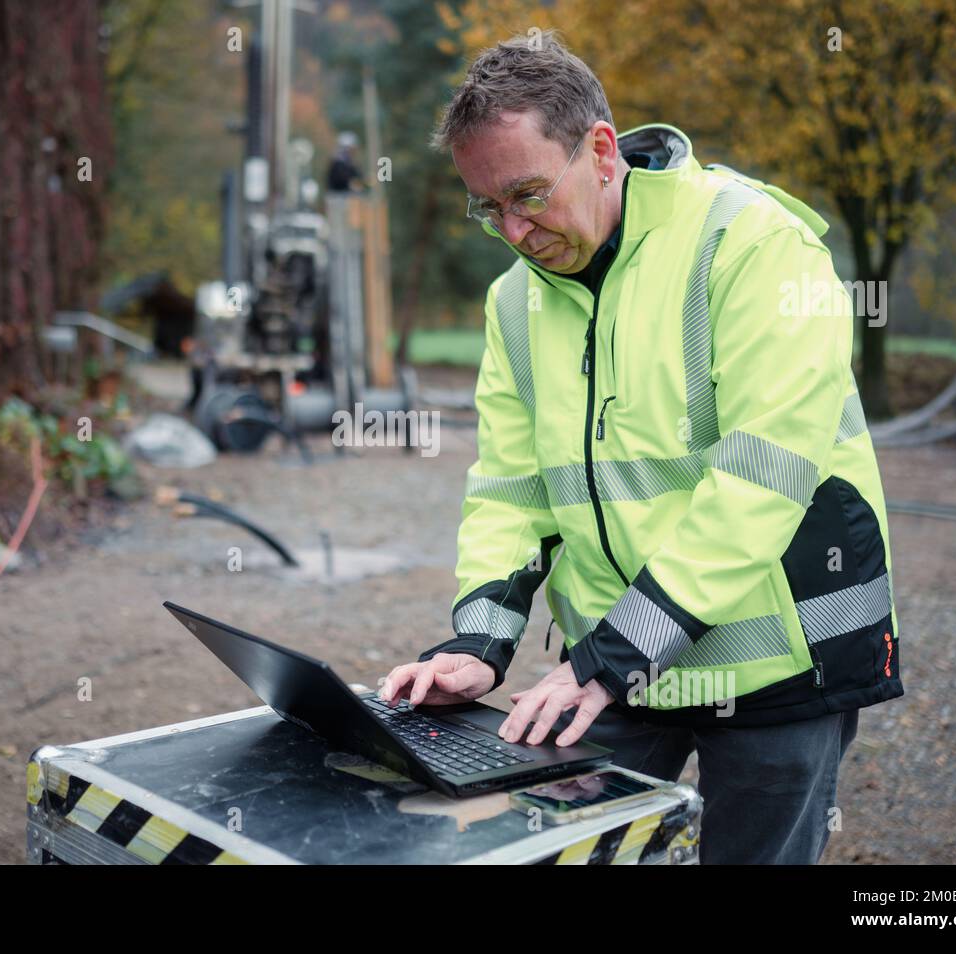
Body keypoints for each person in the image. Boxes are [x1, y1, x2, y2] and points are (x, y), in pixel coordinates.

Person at [378, 31, 903, 864]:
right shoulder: (514, 303)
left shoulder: (755, 246)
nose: (513, 230)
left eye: (527, 195)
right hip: (614, 668)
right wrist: (477, 643)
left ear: (599, 151)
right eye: (487, 208)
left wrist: (610, 658)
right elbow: (510, 491)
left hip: (777, 665)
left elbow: (759, 480)